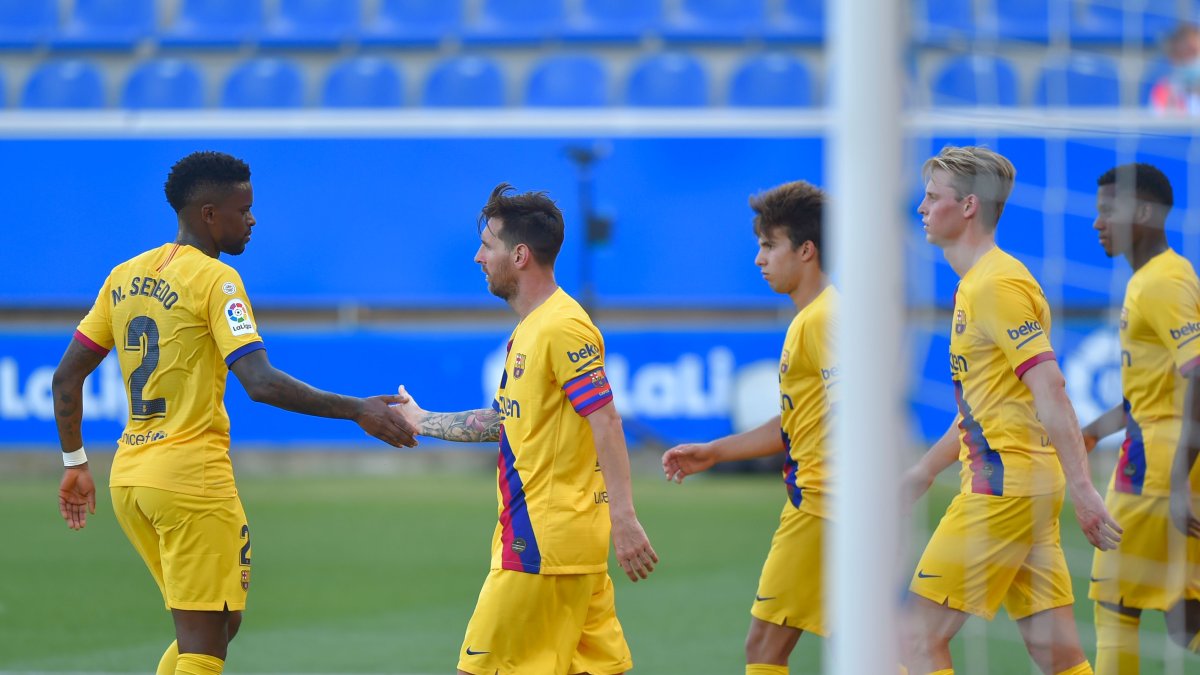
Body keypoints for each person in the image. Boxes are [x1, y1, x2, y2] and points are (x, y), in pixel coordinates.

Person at [53, 151, 416, 675]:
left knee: (217, 624)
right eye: (242, 209)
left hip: (131, 478)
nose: (252, 220)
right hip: (190, 479)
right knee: (205, 644)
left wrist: (74, 463)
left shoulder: (123, 277)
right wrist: (358, 410)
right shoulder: (216, 281)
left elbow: (65, 379)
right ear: (207, 214)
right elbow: (261, 383)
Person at [391, 182, 657, 675]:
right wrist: (419, 420)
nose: (477, 257)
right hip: (565, 548)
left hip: (539, 548)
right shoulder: (533, 329)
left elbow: (606, 419)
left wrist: (624, 517)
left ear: (518, 255)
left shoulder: (562, 327)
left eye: (487, 245)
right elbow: (504, 421)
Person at [901, 145, 1122, 675]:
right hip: (1024, 488)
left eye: (933, 197)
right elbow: (986, 406)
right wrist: (923, 471)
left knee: (911, 641)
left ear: (970, 206)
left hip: (1002, 491)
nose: (921, 208)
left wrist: (1086, 489)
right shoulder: (976, 285)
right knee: (1058, 655)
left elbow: (1051, 387)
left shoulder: (997, 284)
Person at [660, 180, 835, 675]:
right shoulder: (814, 318)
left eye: (768, 245)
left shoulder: (822, 320)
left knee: (764, 649)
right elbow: (799, 419)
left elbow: (850, 414)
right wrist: (715, 452)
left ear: (806, 251)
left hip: (823, 509)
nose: (759, 259)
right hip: (827, 508)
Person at [1080, 162, 1200, 673]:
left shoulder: (1161, 284)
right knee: (1185, 616)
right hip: (1166, 456)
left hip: (1156, 467)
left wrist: (1177, 482)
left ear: (1144, 212)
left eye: (1109, 210)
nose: (1097, 222)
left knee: (1115, 603)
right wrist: (1090, 432)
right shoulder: (1160, 276)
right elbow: (1148, 393)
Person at [1149, 23, 1200, 114]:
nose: (1192, 59)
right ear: (1174, 57)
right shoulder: (1163, 90)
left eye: (1195, 52)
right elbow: (1160, 124)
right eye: (1185, 53)